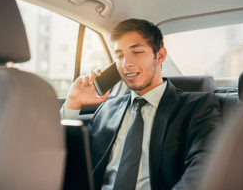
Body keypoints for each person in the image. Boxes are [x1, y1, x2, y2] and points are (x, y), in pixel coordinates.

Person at [61, 19, 221, 190]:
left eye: (137, 52)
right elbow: (66, 159)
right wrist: (73, 103)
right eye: (120, 55)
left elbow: (205, 166)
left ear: (159, 55)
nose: (126, 64)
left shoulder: (197, 106)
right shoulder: (107, 109)